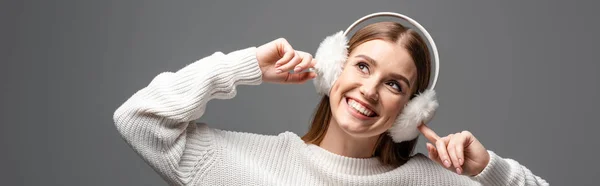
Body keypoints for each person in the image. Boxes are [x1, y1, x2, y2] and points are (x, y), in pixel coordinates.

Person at [113, 22, 549, 185]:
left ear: (412, 112)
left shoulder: (430, 182)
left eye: (394, 84)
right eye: (362, 66)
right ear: (332, 68)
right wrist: (242, 66)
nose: (370, 91)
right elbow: (140, 120)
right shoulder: (246, 165)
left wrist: (489, 169)